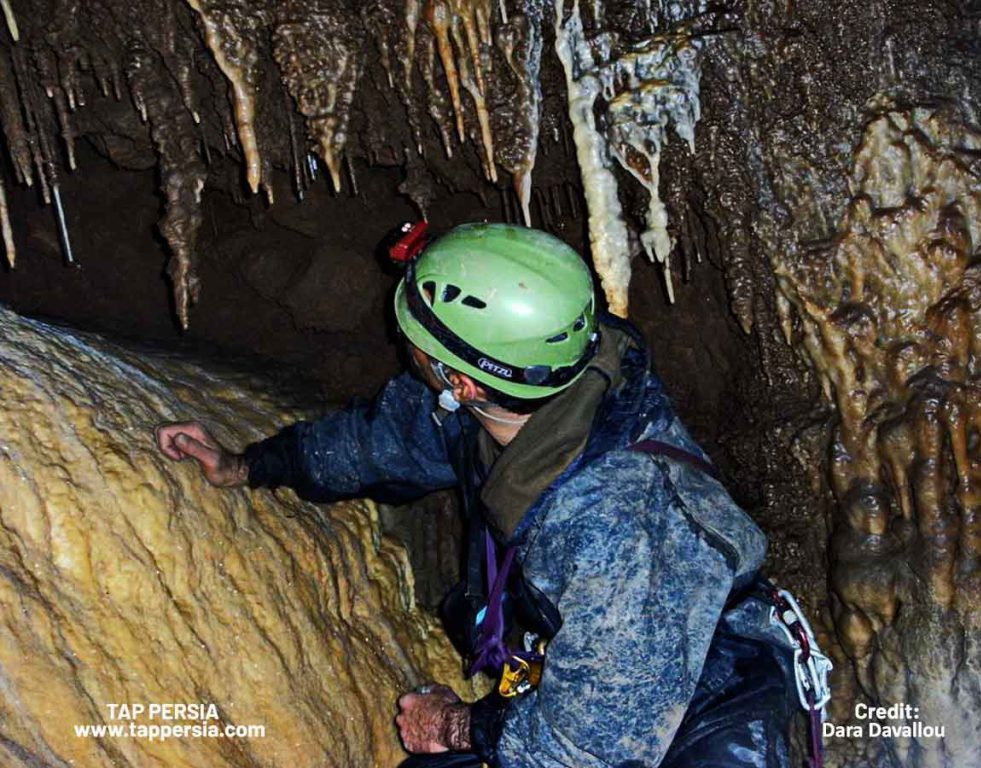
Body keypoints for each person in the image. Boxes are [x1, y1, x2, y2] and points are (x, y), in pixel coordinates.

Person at [155, 223, 803, 768]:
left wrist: (455, 725)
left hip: (706, 712)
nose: (404, 337)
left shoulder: (615, 523)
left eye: (420, 335)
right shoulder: (519, 392)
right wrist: (245, 464)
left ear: (462, 381)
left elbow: (596, 746)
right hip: (598, 667)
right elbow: (384, 440)